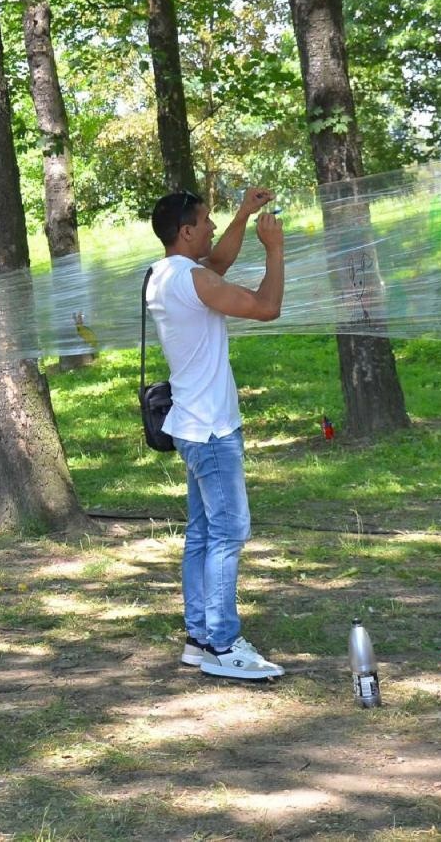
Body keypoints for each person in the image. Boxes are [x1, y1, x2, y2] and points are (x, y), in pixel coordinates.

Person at [146, 189, 285, 680]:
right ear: (185, 231)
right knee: (229, 532)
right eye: (205, 221)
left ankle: (199, 638)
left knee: (203, 534)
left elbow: (217, 262)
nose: (211, 227)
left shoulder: (164, 274)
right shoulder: (193, 279)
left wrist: (245, 214)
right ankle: (224, 646)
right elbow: (267, 308)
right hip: (211, 429)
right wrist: (273, 248)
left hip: (189, 423)